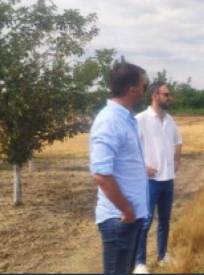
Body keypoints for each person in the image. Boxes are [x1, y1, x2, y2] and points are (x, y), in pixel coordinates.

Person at [89, 61, 150, 275]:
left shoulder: (125, 119)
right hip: (119, 218)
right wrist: (126, 209)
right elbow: (101, 175)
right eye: (144, 86)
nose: (145, 91)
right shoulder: (110, 121)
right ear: (132, 90)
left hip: (129, 216)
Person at [134, 83, 183, 274]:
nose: (169, 97)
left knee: (164, 220)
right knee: (145, 222)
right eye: (166, 94)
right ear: (155, 95)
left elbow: (178, 141)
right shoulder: (141, 119)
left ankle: (162, 255)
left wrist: (177, 159)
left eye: (169, 94)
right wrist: (142, 166)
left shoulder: (170, 120)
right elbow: (131, 147)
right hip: (149, 181)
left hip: (167, 179)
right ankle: (140, 263)